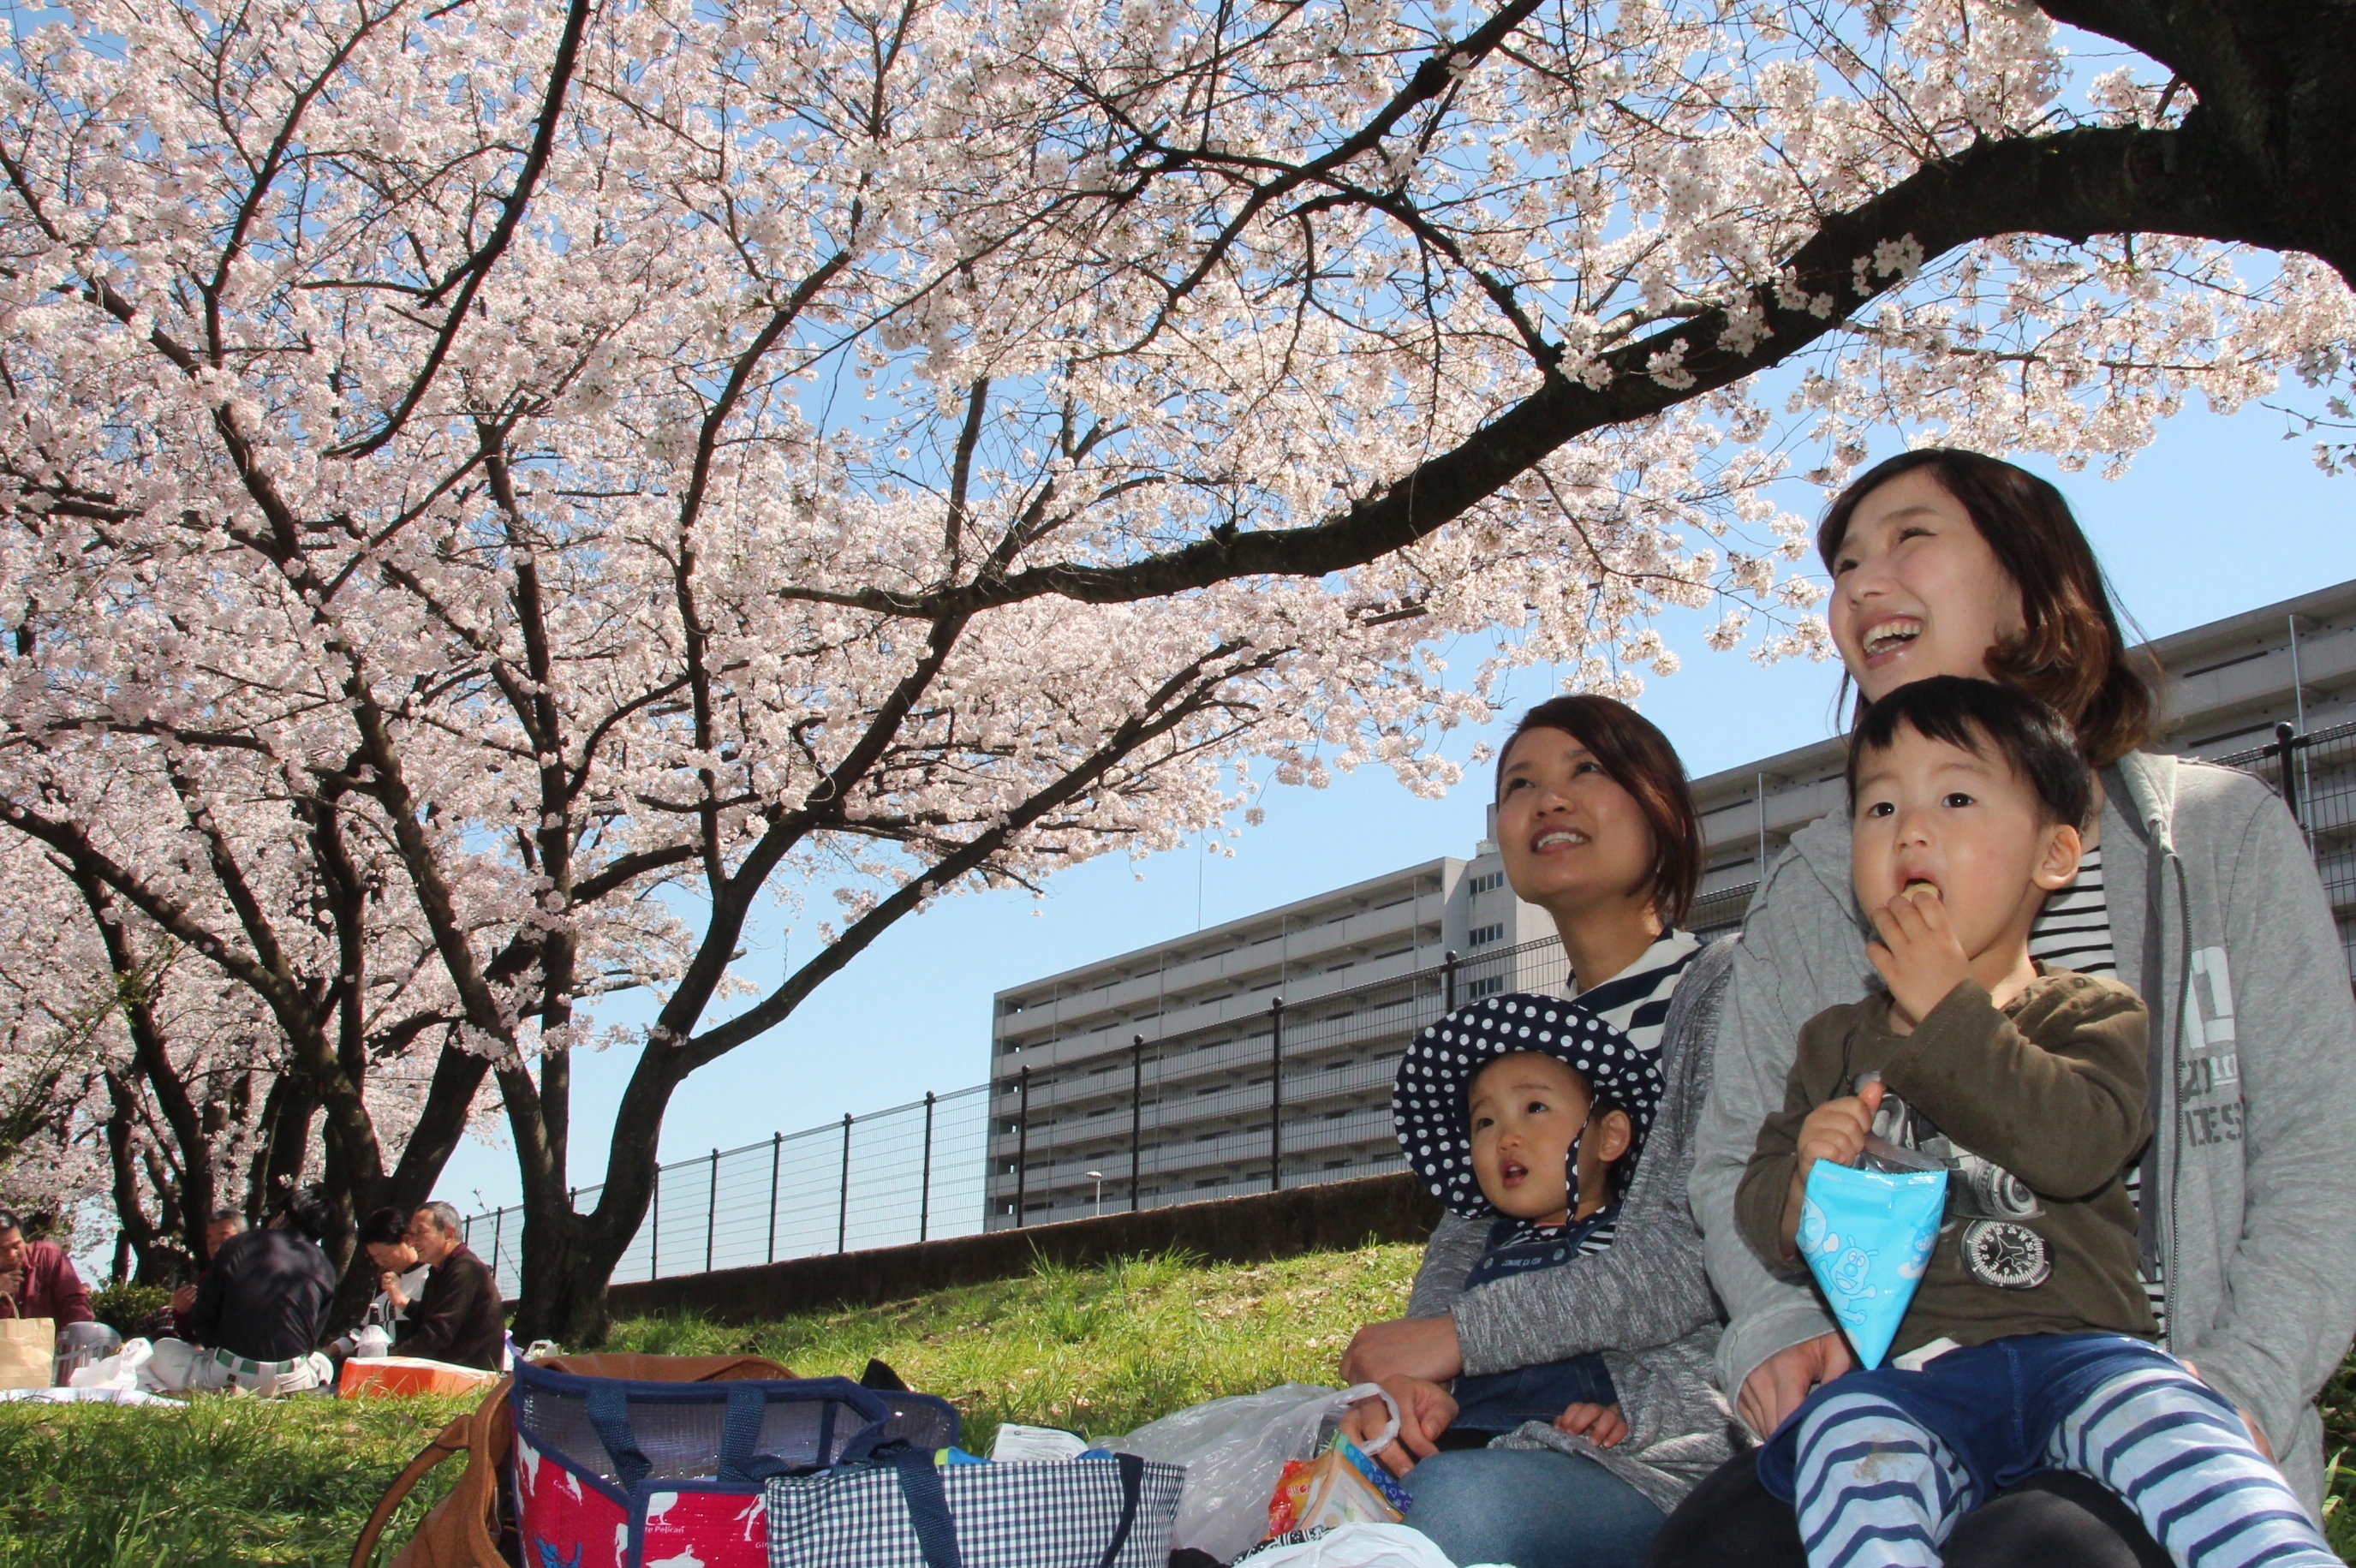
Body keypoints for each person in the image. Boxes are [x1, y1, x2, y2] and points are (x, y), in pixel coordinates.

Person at [1663, 450, 2356, 1566]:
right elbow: (1732, 1162)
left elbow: (2319, 1163)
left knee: (2033, 1550)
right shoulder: (1813, 886)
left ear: (2032, 592)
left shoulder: (2212, 838)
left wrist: (2227, 1394)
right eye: (1841, 561)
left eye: (1907, 539)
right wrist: (1782, 1319)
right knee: (1715, 1549)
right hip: (1901, 1395)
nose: (1857, 581)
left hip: (2150, 1393)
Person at [1734, 677, 2334, 1567]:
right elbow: (1763, 1215)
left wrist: (1948, 1013)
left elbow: (2077, 1142)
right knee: (1844, 1445)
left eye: (1958, 796)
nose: (1911, 828)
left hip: (2086, 1353)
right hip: (1908, 1376)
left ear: (2055, 855)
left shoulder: (2092, 1012)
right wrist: (1801, 1184)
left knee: (2189, 1434)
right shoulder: (1833, 1039)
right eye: (1881, 805)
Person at [1338, 695, 1739, 1568]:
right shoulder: (1520, 1049)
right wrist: (1404, 1387)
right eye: (1521, 784)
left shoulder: (1729, 994)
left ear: (1663, 807)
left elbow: (1702, 1251)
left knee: (1444, 1514)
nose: (1549, 800)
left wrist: (1452, 1341)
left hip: (1669, 1446)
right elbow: (1462, 1249)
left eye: (1586, 771)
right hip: (1496, 1427)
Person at [157, 1184, 338, 1395]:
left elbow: (203, 1317)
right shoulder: (325, 1266)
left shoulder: (239, 1244)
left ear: (280, 1216)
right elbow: (309, 1341)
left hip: (230, 1371)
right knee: (323, 1362)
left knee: (163, 1348)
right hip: (290, 1378)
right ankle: (281, 1393)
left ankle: (224, 1391)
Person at [394, 1201, 504, 1370]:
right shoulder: (439, 1270)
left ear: (449, 1233)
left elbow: (438, 1332)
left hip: (468, 1373)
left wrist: (392, 1361)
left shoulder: (466, 1270)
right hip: (449, 1368)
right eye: (412, 1235)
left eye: (421, 1233)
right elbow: (418, 1324)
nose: (413, 1242)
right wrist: (390, 1356)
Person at [325, 1207, 427, 1362]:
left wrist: (401, 1301)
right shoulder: (386, 1280)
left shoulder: (429, 1275)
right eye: (375, 1256)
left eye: (384, 1254)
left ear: (407, 1240)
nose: (380, 1262)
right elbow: (364, 1329)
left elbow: (434, 1324)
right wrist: (330, 1351)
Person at [0, 1208, 93, 1326]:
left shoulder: (48, 1255)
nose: (12, 1254)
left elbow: (75, 1302)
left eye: (17, 1246)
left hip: (53, 1342)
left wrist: (75, 1336)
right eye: (2, 1250)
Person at [170, 1207, 248, 1338]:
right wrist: (182, 1311)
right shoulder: (207, 1280)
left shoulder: (259, 1275)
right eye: (210, 1242)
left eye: (223, 1241)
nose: (215, 1248)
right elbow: (191, 1335)